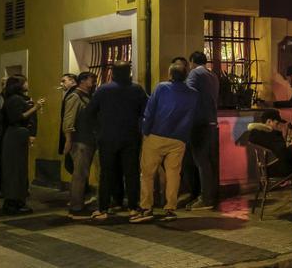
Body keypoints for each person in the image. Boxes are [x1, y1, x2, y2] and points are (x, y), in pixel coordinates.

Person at [131, 62, 199, 223]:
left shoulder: (162, 88)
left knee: (147, 174)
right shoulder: (194, 94)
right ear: (186, 76)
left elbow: (150, 110)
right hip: (179, 138)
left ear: (170, 75)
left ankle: (147, 207)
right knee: (173, 174)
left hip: (156, 134)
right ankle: (170, 208)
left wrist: (145, 131)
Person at [87, 62, 148, 219]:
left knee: (106, 173)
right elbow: (145, 111)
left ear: (112, 73)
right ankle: (134, 207)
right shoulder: (137, 89)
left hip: (107, 137)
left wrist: (98, 129)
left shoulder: (103, 90)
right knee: (132, 173)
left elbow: (90, 112)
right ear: (129, 73)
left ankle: (103, 208)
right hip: (131, 137)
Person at [0, 75, 45, 215]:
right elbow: (17, 117)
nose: (27, 84)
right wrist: (35, 107)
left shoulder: (17, 99)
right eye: (25, 82)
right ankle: (12, 202)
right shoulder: (14, 99)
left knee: (19, 168)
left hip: (18, 136)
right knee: (15, 169)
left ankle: (18, 199)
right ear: (18, 85)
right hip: (15, 136)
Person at [185, 51, 221, 211]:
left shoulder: (194, 73)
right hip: (212, 122)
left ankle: (205, 198)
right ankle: (211, 195)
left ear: (192, 62)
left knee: (201, 161)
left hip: (199, 123)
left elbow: (188, 93)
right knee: (210, 162)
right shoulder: (212, 75)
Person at [64, 72, 98, 219]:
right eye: (92, 79)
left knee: (83, 174)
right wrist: (68, 139)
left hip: (87, 139)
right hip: (80, 141)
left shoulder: (86, 96)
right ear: (83, 81)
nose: (94, 82)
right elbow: (68, 120)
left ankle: (78, 204)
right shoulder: (75, 96)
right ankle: (76, 207)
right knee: (79, 174)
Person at [247, 109, 292, 179]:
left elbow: (277, 149)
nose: (278, 126)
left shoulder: (256, 134)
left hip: (266, 167)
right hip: (277, 167)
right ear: (269, 121)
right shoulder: (268, 134)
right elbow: (283, 153)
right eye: (277, 123)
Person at [56, 73, 77, 175]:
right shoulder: (71, 93)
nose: (61, 84)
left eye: (64, 81)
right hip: (72, 134)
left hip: (73, 135)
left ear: (72, 81)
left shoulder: (73, 94)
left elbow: (69, 117)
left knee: (73, 166)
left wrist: (68, 139)